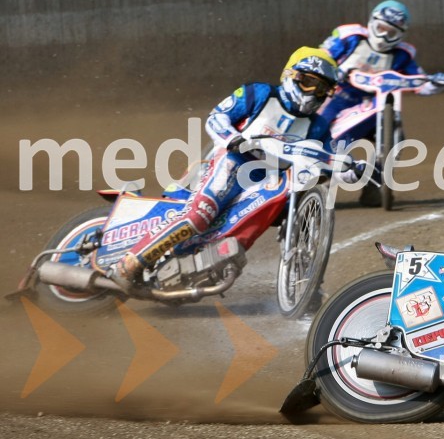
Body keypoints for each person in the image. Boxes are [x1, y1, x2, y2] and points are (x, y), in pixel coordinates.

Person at [110, 47, 347, 289]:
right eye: (308, 83)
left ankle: (310, 283)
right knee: (198, 217)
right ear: (291, 75)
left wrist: (352, 168)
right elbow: (216, 117)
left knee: (300, 211)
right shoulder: (259, 93)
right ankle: (130, 263)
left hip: (270, 184)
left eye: (321, 89)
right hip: (232, 163)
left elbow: (332, 158)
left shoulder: (318, 126)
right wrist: (233, 138)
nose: (312, 94)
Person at [316, 0, 444, 206]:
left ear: (400, 35)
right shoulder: (350, 37)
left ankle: (375, 184)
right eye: (381, 29)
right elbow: (320, 57)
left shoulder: (402, 55)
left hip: (370, 106)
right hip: (336, 97)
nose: (384, 37)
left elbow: (419, 81)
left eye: (391, 33)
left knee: (396, 139)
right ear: (372, 23)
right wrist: (333, 70)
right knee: (318, 136)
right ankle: (310, 181)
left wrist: (434, 83)